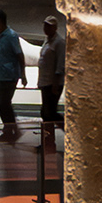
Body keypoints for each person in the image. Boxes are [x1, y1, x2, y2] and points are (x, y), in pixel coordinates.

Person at [0, 7, 24, 142]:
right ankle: (9, 130)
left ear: (0, 20)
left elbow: (19, 55)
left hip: (9, 75)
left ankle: (12, 130)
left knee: (4, 103)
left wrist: (23, 74)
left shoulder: (11, 36)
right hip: (1, 75)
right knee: (2, 104)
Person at [37, 11, 65, 146]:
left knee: (49, 113)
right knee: (46, 112)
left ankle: (52, 139)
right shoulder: (47, 41)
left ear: (54, 28)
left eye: (49, 26)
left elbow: (60, 64)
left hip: (52, 83)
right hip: (45, 82)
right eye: (45, 26)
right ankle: (47, 141)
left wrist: (55, 83)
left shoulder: (59, 43)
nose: (46, 28)